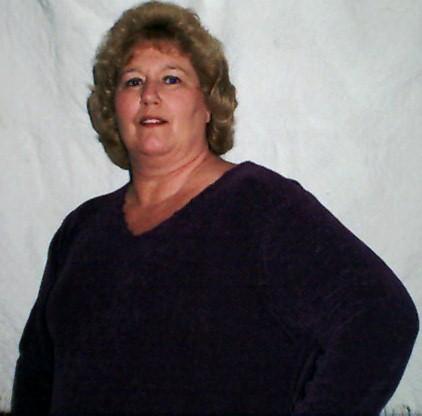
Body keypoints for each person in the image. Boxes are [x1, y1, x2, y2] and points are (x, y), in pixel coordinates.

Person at [12, 1, 418, 415]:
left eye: (171, 79)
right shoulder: (81, 230)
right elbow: (37, 371)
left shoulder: (261, 206)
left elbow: (380, 318)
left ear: (208, 104)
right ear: (113, 109)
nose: (149, 95)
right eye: (132, 82)